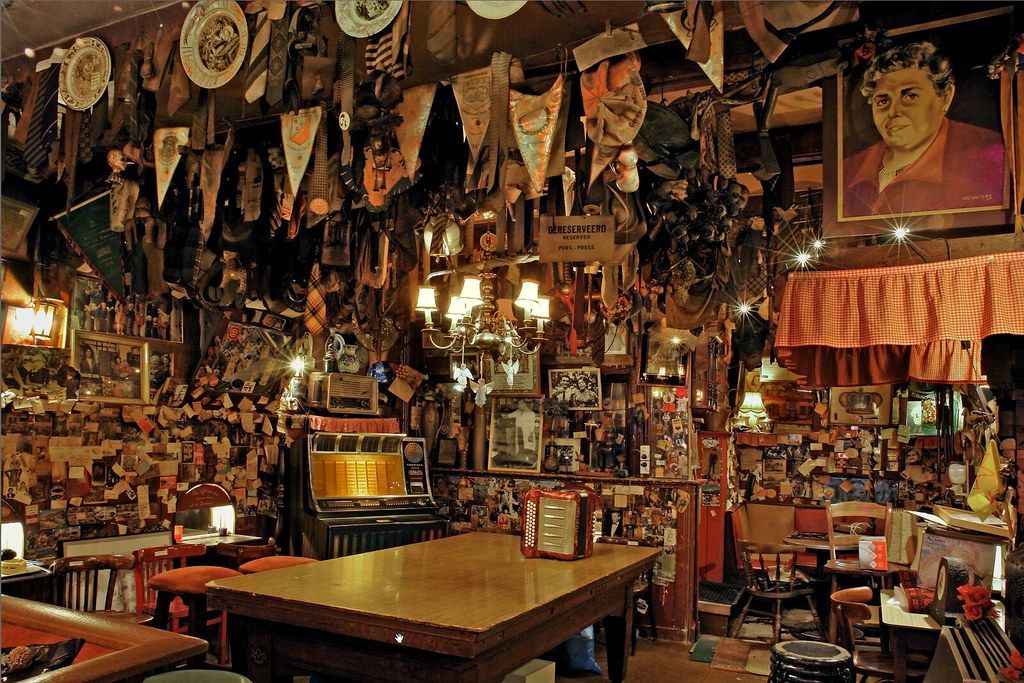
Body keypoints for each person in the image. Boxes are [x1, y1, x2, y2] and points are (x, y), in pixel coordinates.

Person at [842, 41, 1005, 218]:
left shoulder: (990, 155)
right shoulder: (849, 169)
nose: (893, 112)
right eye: (883, 101)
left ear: (945, 97)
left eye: (910, 96)